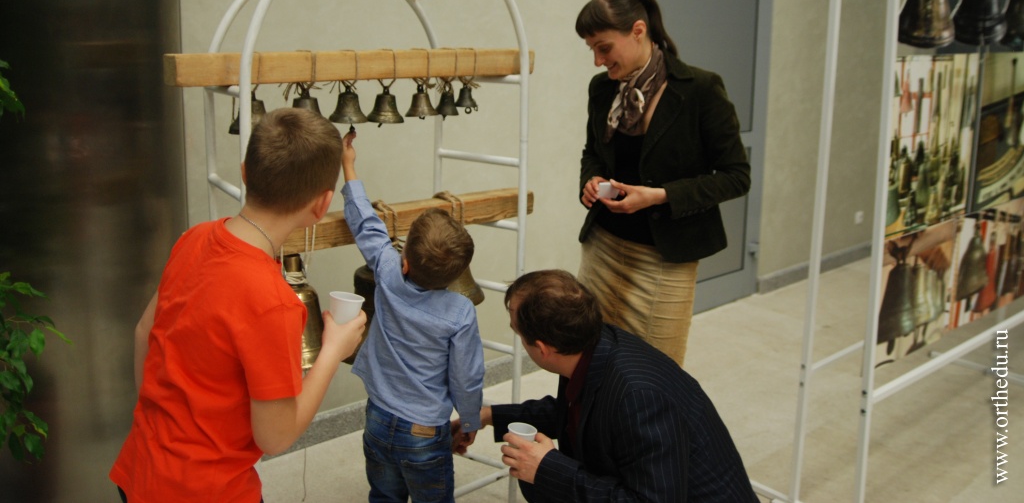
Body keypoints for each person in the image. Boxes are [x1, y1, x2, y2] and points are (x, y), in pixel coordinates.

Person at [109, 108, 368, 503]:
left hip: (142, 466)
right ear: (322, 205)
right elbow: (275, 437)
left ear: (245, 173)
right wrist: (333, 351)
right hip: (206, 491)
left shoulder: (193, 239)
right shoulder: (273, 302)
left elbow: (144, 333)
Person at [452, 269, 757, 503]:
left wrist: (550, 468)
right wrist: (488, 415)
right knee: (535, 472)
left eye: (518, 332)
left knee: (542, 474)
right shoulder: (589, 343)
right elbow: (574, 412)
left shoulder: (638, 398)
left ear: (542, 349)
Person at [574, 0, 751, 366]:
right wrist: (591, 180)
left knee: (656, 371)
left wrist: (659, 196)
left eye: (604, 48)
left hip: (665, 260)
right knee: (588, 360)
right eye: (591, 50)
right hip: (602, 247)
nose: (597, 61)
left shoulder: (701, 90)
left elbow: (736, 176)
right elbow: (593, 152)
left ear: (638, 31)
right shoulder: (602, 89)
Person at [340, 130, 484, 503]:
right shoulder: (460, 312)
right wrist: (469, 421)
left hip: (377, 417)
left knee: (384, 496)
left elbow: (366, 225)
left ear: (404, 261)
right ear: (456, 275)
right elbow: (466, 377)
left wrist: (348, 166)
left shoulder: (388, 272)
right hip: (424, 430)